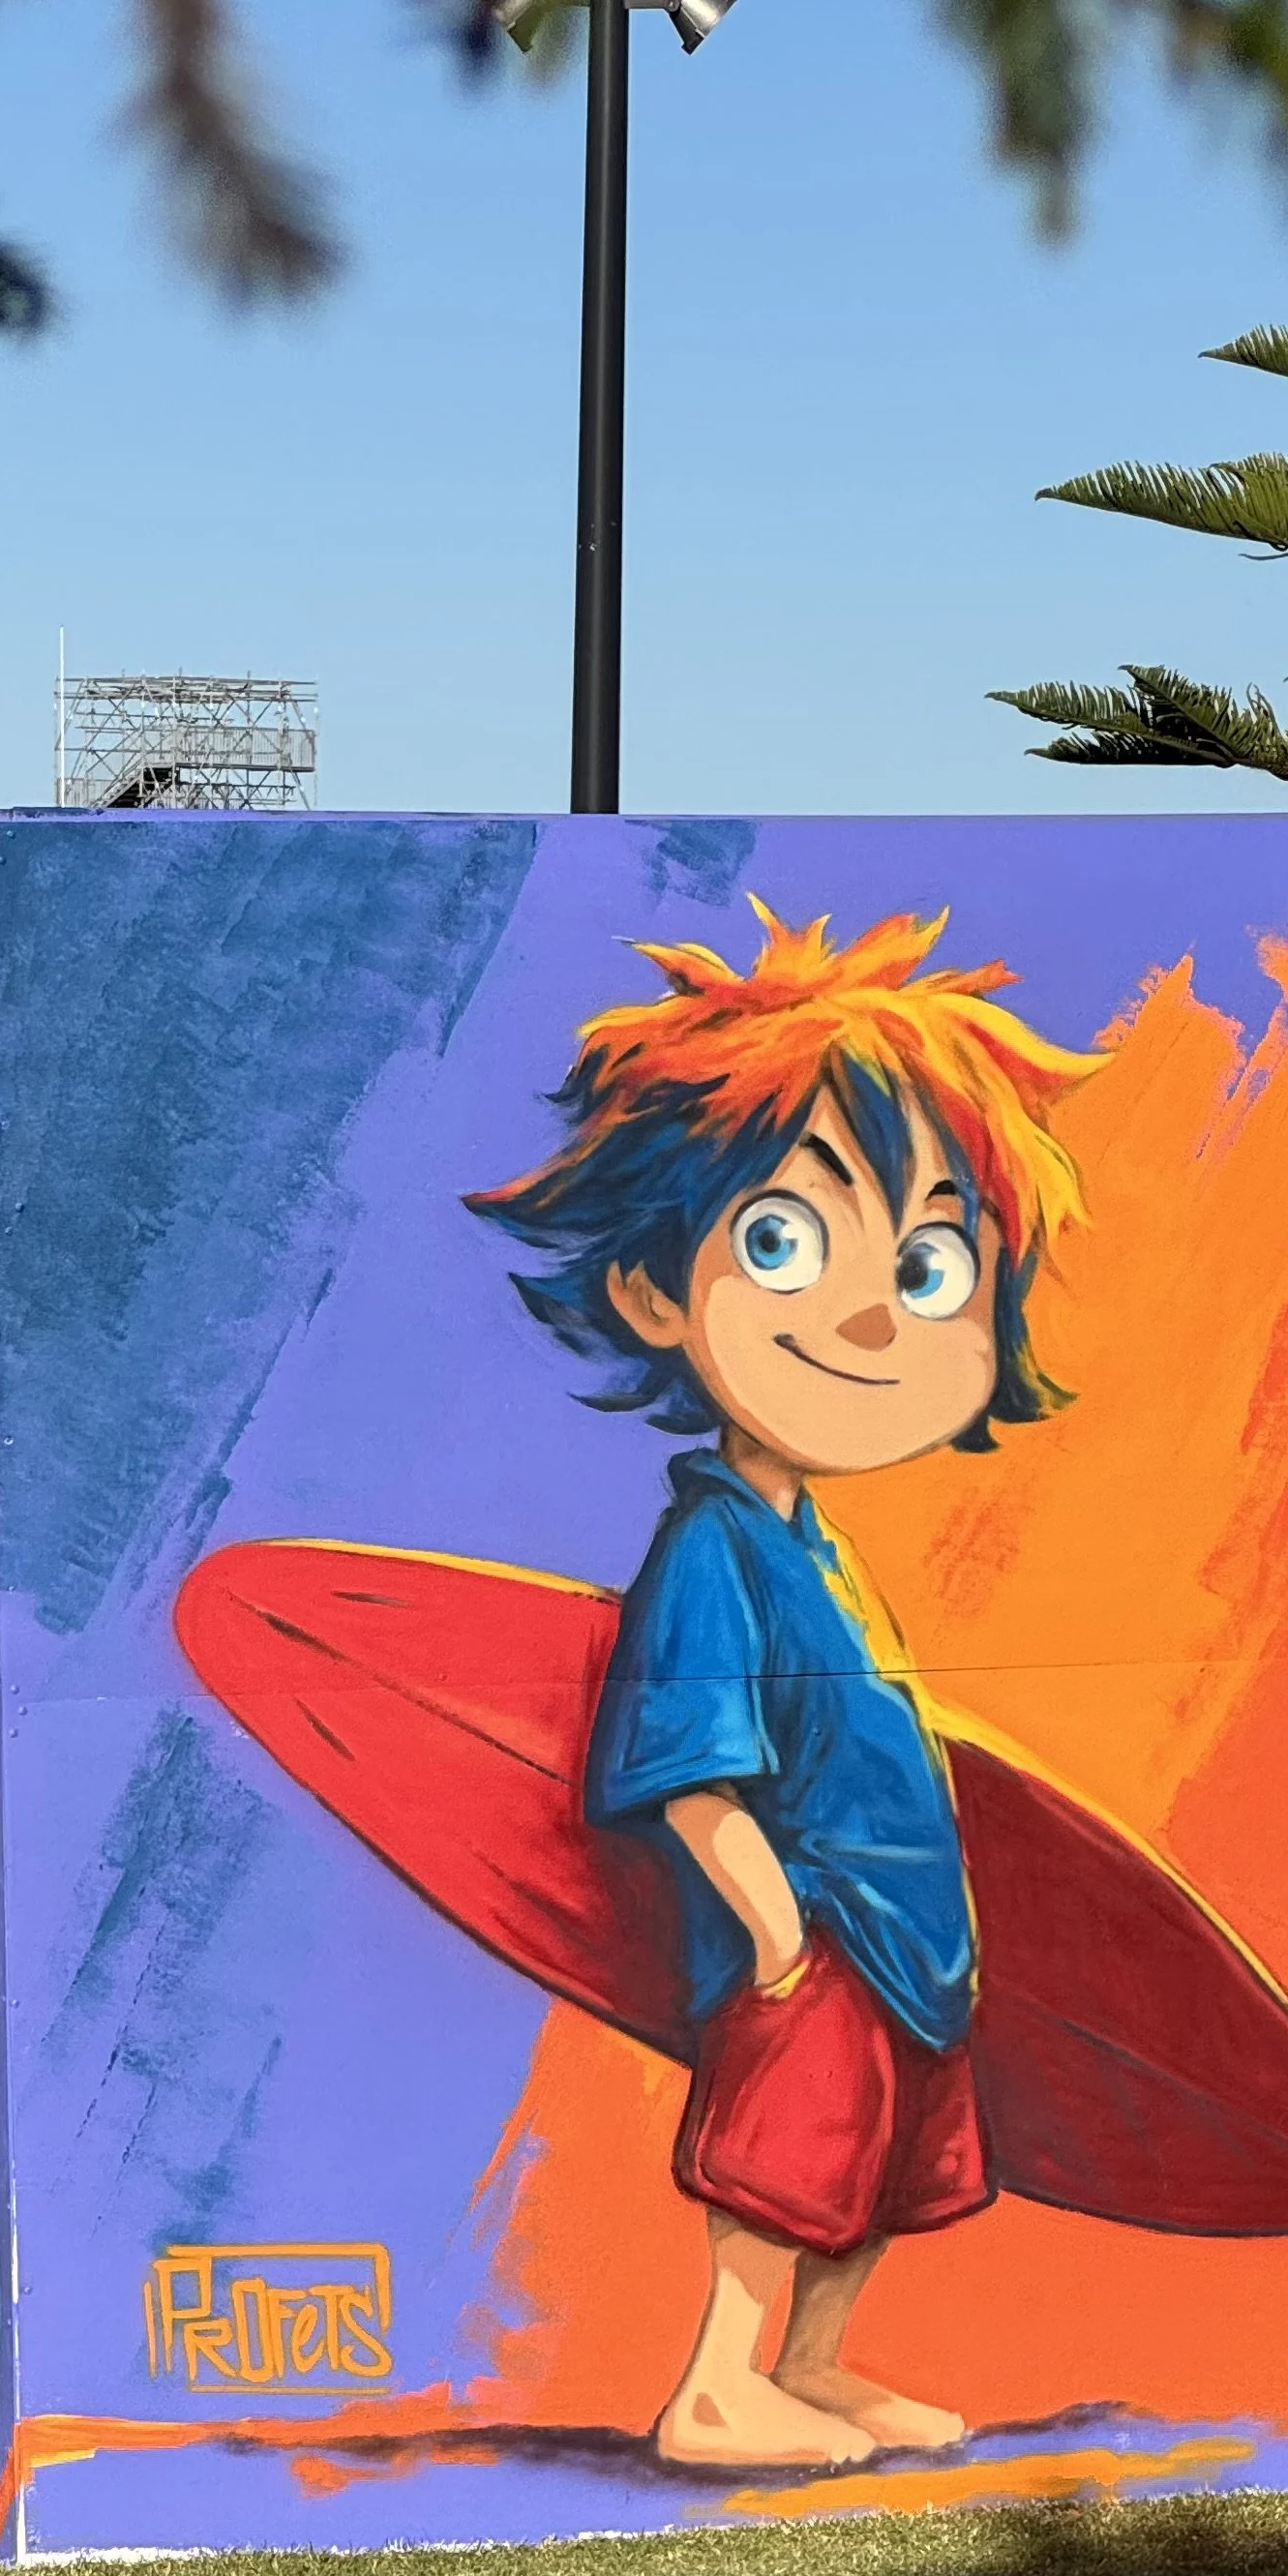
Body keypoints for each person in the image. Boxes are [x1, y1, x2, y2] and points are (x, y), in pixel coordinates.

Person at [468, 903, 1104, 2471]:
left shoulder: (813, 1544)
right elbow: (694, 1766)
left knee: (885, 2165)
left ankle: (814, 2363)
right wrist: (770, 1929)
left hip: (904, 1940)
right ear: (654, 1291)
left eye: (932, 1255)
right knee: (785, 2157)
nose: (876, 1311)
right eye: (784, 1239)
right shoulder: (713, 1547)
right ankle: (717, 2381)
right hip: (809, 1934)